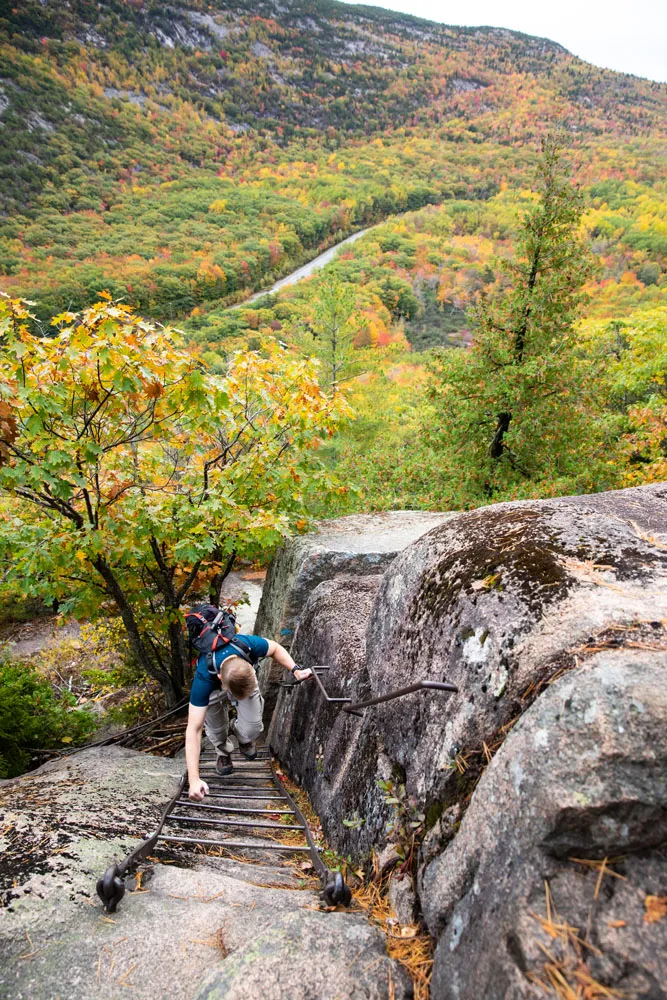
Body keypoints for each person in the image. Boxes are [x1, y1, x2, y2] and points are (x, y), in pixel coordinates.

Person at [185, 635, 312, 801]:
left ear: (250, 668)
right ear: (220, 679)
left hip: (242, 679)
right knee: (216, 730)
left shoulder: (248, 645)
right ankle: (222, 751)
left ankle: (242, 736)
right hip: (213, 690)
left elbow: (274, 648)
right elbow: (193, 729)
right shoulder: (203, 679)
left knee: (253, 728)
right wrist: (193, 780)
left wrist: (295, 669)